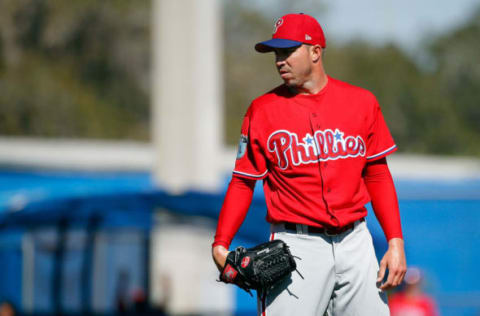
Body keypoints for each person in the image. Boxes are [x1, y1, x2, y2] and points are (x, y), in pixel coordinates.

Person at [212, 13, 406, 315]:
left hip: (356, 241)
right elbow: (243, 180)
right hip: (296, 247)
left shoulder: (361, 102)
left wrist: (395, 242)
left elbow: (377, 173)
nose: (280, 60)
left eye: (288, 51)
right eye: (276, 53)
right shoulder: (262, 110)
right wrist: (221, 243)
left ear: (316, 51)